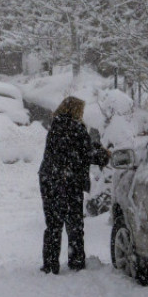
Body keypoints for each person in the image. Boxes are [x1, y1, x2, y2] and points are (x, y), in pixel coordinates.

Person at [37, 96, 110, 274]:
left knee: (53, 224)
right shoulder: (76, 128)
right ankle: (76, 261)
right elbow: (86, 153)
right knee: (74, 224)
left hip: (49, 180)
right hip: (69, 182)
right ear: (76, 110)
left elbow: (75, 149)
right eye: (81, 110)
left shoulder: (55, 126)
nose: (82, 114)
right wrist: (104, 154)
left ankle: (50, 263)